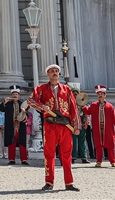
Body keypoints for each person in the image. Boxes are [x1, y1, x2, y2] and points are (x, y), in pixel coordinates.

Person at [30, 64, 81, 192]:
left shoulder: (67, 89)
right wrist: (42, 107)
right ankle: (49, 182)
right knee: (49, 154)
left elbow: (73, 107)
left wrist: (77, 125)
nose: (55, 73)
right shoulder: (41, 89)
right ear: (48, 74)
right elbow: (31, 101)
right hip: (50, 124)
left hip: (65, 125)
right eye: (52, 71)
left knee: (67, 155)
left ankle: (69, 182)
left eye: (57, 71)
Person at [83, 84, 115, 168]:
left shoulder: (110, 106)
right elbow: (88, 112)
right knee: (98, 145)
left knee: (110, 145)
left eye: (101, 94)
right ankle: (99, 161)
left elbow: (114, 117)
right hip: (97, 128)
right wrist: (82, 105)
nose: (100, 96)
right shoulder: (93, 105)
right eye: (98, 94)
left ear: (105, 95)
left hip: (108, 128)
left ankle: (113, 161)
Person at [0, 85, 29, 165]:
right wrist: (4, 102)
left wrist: (24, 112)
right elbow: (1, 108)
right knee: (11, 143)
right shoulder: (8, 104)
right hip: (11, 126)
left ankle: (24, 160)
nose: (15, 96)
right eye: (14, 94)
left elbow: (28, 114)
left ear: (19, 95)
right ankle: (12, 159)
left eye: (16, 94)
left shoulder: (22, 104)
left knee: (22, 143)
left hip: (20, 126)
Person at [71, 85, 89, 165]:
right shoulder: (69, 104)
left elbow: (86, 114)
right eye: (73, 93)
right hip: (73, 126)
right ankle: (72, 157)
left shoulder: (82, 103)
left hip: (81, 125)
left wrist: (85, 123)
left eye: (76, 93)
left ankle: (83, 157)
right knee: (73, 142)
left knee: (82, 142)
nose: (75, 94)